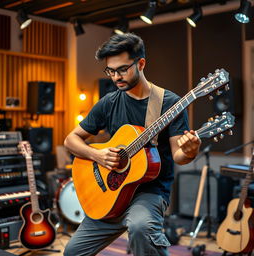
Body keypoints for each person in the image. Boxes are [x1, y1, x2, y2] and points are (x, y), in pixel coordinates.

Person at [63, 32, 201, 256]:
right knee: (72, 252)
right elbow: (71, 140)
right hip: (109, 193)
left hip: (149, 192)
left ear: (141, 63)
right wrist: (97, 155)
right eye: (110, 71)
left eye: (122, 69)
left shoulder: (169, 103)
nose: (115, 77)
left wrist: (190, 151)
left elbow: (179, 155)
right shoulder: (108, 102)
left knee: (140, 228)